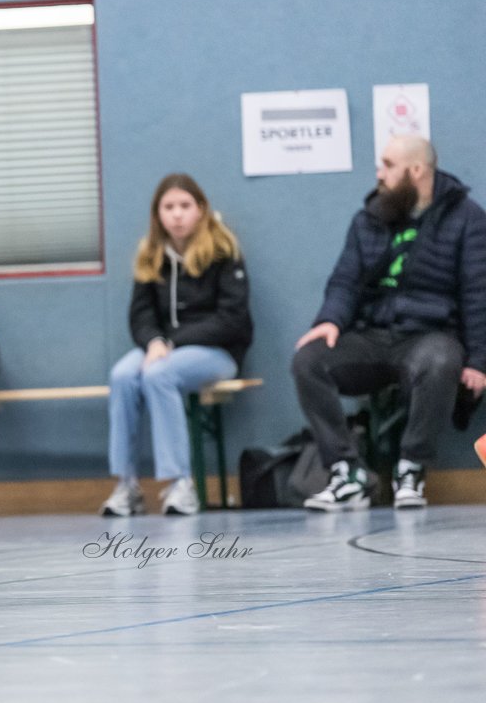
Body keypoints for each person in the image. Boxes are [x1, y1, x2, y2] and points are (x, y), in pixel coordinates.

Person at [294, 136, 486, 511]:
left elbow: (479, 292)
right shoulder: (369, 217)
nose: (378, 173)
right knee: (307, 361)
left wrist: (480, 359)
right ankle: (347, 474)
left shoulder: (466, 218)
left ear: (415, 171)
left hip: (429, 336)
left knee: (441, 358)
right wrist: (330, 320)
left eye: (387, 164)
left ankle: (411, 469)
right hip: (373, 334)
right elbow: (345, 281)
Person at [102, 174, 252, 517]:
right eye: (169, 207)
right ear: (158, 214)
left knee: (158, 375)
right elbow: (140, 316)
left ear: (200, 210)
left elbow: (233, 319)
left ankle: (181, 484)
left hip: (218, 352)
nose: (177, 215)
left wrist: (169, 343)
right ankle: (126, 485)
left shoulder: (223, 251)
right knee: (123, 374)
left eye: (185, 206)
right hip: (164, 348)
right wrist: (155, 341)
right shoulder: (151, 255)